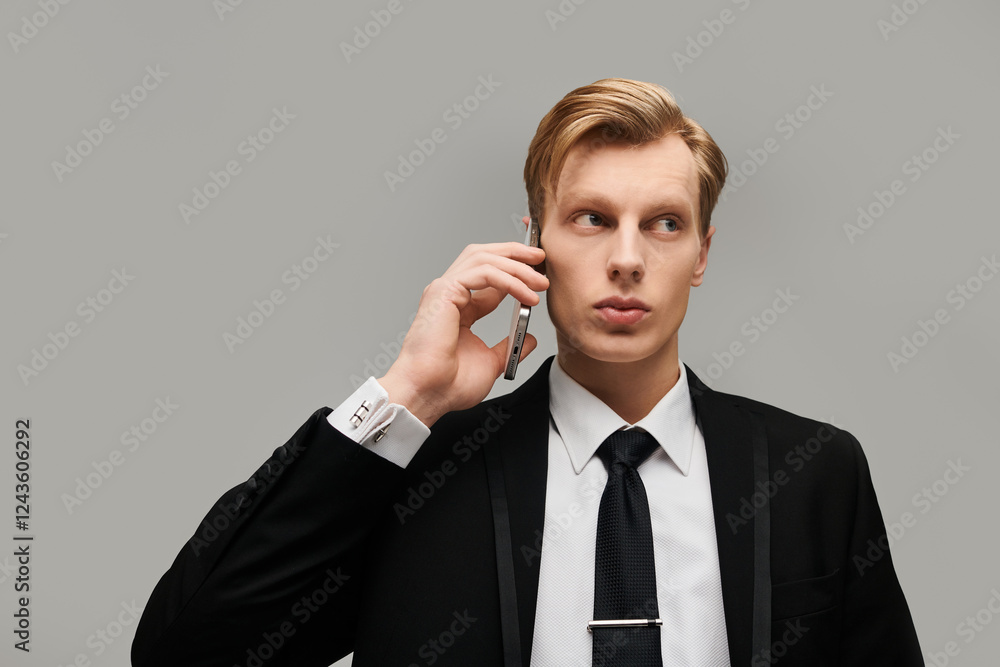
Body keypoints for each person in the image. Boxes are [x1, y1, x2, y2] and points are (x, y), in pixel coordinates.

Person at [131, 78, 922, 666]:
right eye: (591, 218)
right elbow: (188, 653)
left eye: (664, 224)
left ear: (702, 254)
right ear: (533, 242)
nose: (625, 259)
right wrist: (407, 392)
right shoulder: (423, 468)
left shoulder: (813, 470)